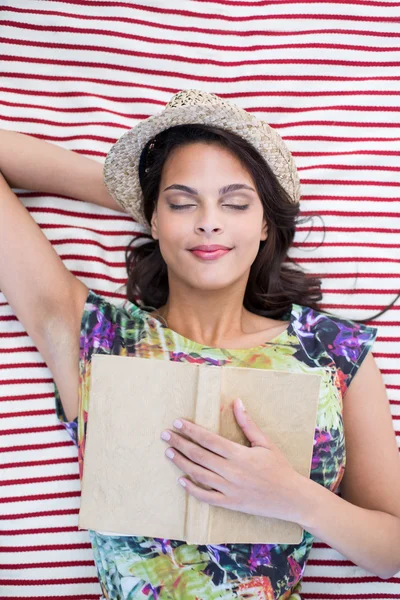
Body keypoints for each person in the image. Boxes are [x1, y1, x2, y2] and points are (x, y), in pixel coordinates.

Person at [0, 89, 399, 600]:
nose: (208, 220)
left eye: (234, 203)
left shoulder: (331, 351)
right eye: (183, 202)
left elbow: (391, 551)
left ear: (263, 225)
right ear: (155, 222)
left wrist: (292, 498)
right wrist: (139, 196)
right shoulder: (96, 338)